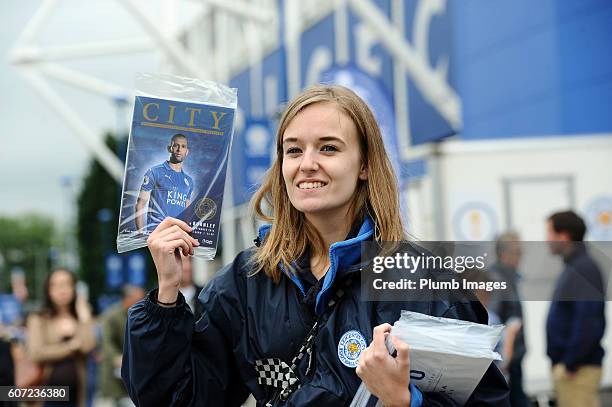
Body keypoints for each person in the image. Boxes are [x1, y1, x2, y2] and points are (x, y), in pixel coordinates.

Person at [122, 85, 510, 406]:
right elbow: (175, 400)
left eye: (328, 148)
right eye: (293, 150)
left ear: (365, 166)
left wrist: (404, 402)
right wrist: (167, 298)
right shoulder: (246, 281)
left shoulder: (424, 282)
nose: (307, 163)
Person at [545, 211, 606, 407]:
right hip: (573, 368)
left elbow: (588, 320)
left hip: (577, 370)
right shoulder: (574, 267)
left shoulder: (583, 268)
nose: (546, 240)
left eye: (550, 233)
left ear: (564, 236)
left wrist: (571, 362)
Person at [26, 269, 96, 407]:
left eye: (66, 284)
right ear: (48, 290)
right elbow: (36, 353)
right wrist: (70, 346)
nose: (62, 290)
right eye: (56, 285)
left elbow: (88, 346)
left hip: (77, 394)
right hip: (48, 395)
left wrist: (84, 319)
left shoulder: (80, 317)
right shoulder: (39, 318)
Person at [489, 232, 529, 407]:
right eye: (518, 252)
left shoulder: (509, 278)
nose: (521, 257)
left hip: (512, 358)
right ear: (505, 254)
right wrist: (505, 357)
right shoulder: (498, 280)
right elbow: (493, 322)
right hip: (505, 360)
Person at [135, 133, 194, 233]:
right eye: (176, 145)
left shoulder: (189, 181)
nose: (179, 149)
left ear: (187, 152)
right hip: (156, 234)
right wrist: (140, 234)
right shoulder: (154, 172)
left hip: (177, 235)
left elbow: (187, 212)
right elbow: (140, 204)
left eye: (183, 146)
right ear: (169, 148)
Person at [98, 284, 145, 406]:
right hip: (115, 375)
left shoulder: (143, 316)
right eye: (137, 299)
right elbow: (106, 341)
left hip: (138, 375)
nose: (142, 302)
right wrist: (116, 358)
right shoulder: (111, 316)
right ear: (127, 299)